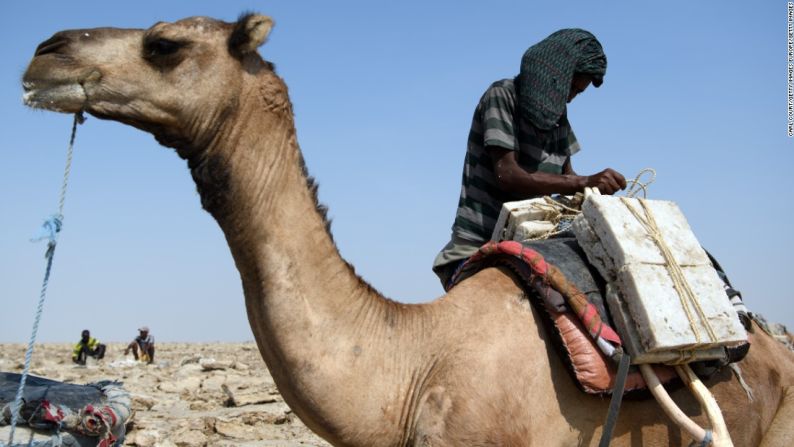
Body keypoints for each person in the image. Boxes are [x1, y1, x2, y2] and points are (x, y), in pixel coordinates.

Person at [433, 29, 627, 288]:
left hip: (531, 249)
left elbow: (567, 177)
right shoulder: (502, 96)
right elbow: (509, 176)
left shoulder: (558, 116)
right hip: (479, 246)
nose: (570, 97)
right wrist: (585, 182)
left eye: (577, 93)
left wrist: (595, 193)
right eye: (572, 88)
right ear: (554, 76)